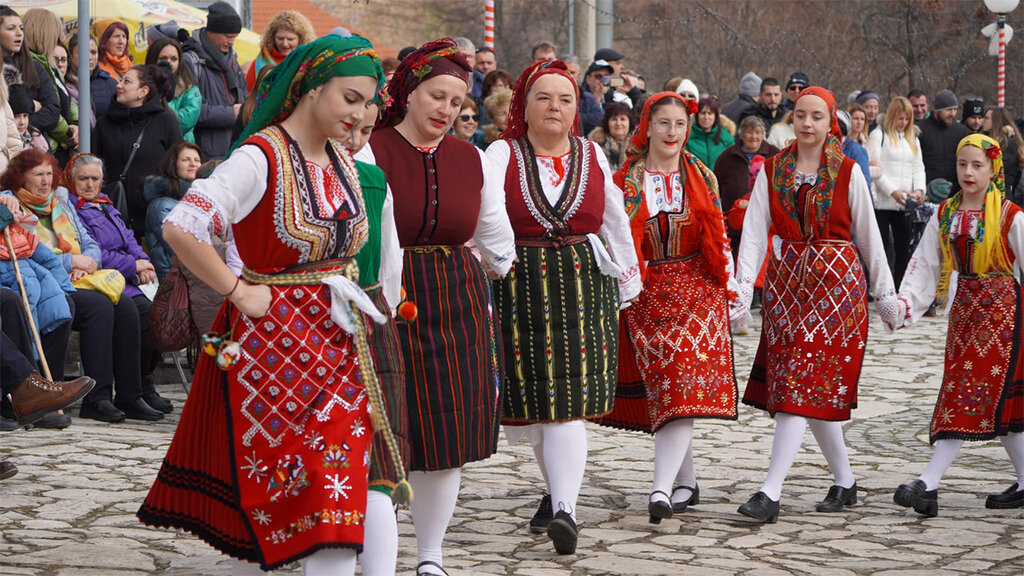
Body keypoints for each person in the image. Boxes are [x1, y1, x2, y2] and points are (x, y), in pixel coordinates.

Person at [137, 35, 401, 576]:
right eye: (350, 98)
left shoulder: (341, 158)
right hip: (275, 347)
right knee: (302, 486)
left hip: (340, 341)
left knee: (344, 480)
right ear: (313, 88)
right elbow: (182, 226)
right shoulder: (259, 157)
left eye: (367, 103)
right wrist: (237, 290)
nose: (359, 114)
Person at [363, 38, 515, 576]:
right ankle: (375, 547)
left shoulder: (472, 158)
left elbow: (496, 235)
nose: (446, 109)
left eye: (456, 101)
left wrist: (497, 265)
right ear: (408, 92)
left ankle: (431, 554)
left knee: (447, 431)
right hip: (385, 299)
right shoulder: (370, 151)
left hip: (457, 300)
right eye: (436, 96)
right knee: (382, 428)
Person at [485, 59, 640, 556]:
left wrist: (629, 280)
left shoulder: (592, 155)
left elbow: (614, 217)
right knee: (537, 407)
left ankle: (566, 511)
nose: (555, 107)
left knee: (566, 406)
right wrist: (494, 261)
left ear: (577, 109)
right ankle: (555, 495)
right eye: (544, 98)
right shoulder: (501, 154)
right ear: (523, 105)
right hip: (521, 286)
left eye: (566, 99)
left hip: (583, 286)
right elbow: (486, 211)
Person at [734, 86, 904, 523]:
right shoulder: (773, 169)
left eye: (817, 116)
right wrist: (742, 287)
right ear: (791, 119)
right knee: (808, 389)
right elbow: (754, 232)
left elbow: (869, 235)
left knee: (798, 386)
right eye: (800, 115)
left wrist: (885, 294)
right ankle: (845, 482)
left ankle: (770, 491)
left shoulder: (847, 171)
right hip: (786, 290)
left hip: (836, 293)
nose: (807, 123)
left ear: (832, 124)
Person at [594, 90, 743, 526]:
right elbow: (612, 237)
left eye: (680, 124)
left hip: (697, 290)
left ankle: (660, 489)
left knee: (680, 385)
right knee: (667, 391)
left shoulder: (701, 175)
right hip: (646, 292)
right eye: (663, 123)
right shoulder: (626, 180)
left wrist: (731, 286)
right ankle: (686, 483)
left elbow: (717, 233)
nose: (672, 132)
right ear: (647, 126)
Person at [892, 134, 1024, 516]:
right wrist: (905, 304)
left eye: (977, 165)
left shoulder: (1010, 215)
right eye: (962, 164)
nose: (968, 172)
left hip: (1002, 316)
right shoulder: (945, 213)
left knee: (965, 392)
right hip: (964, 313)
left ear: (992, 170)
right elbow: (925, 263)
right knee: (1001, 404)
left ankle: (928, 483)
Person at [2, 149, 161, 423]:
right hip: (47, 276)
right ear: (20, 178)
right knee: (88, 306)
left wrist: (86, 262)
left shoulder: (60, 203)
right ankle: (78, 396)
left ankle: (128, 394)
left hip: (78, 275)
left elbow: (89, 243)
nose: (45, 181)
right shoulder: (13, 205)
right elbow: (29, 251)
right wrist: (70, 262)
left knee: (126, 307)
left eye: (49, 174)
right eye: (37, 174)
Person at [335, 103, 408, 576]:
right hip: (319, 316)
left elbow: (389, 253)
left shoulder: (373, 178)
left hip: (366, 311)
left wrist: (388, 308)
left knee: (376, 449)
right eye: (351, 129)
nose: (357, 141)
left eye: (366, 131)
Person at [61, 153, 171, 414]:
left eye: (95, 179)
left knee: (158, 313)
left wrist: (145, 262)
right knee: (139, 312)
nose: (90, 184)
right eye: (83, 179)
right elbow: (94, 253)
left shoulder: (106, 206)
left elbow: (130, 241)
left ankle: (141, 386)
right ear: (71, 180)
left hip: (126, 279)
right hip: (104, 279)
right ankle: (128, 392)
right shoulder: (70, 211)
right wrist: (133, 265)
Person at [95, 64, 183, 239]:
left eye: (126, 81)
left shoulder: (166, 122)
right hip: (112, 221)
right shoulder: (104, 124)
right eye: (121, 80)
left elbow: (179, 167)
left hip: (154, 222)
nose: (119, 85)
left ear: (143, 91)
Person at [871, 97, 926, 288]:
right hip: (882, 203)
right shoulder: (879, 135)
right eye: (900, 118)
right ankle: (881, 287)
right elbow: (875, 168)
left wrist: (919, 190)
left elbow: (918, 167)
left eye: (907, 119)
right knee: (882, 249)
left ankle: (899, 286)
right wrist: (892, 191)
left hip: (905, 204)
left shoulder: (913, 138)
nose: (903, 123)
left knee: (904, 247)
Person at [182, 1, 248, 160]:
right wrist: (231, 114)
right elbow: (190, 112)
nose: (232, 42)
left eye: (235, 37)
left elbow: (244, 96)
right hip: (204, 156)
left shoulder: (233, 61)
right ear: (212, 31)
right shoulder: (190, 61)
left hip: (235, 149)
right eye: (228, 36)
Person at [714, 115, 779, 255]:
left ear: (763, 135)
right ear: (742, 134)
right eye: (749, 132)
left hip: (767, 228)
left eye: (757, 132)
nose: (754, 136)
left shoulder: (774, 154)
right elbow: (715, 186)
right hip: (735, 229)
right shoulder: (727, 156)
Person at [23, 8, 76, 162]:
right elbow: (51, 112)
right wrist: (68, 135)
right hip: (46, 150)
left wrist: (76, 124)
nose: (60, 40)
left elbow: (66, 98)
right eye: (57, 35)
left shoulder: (48, 64)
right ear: (44, 34)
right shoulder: (29, 66)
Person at [0, 7, 61, 140]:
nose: (19, 33)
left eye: (21, 28)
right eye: (11, 28)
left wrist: (22, 123)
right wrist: (31, 105)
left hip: (32, 145)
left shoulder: (35, 67)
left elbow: (53, 112)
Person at [143, 142, 201, 279]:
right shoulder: (161, 205)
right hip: (176, 278)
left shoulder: (201, 199)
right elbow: (181, 249)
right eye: (185, 160)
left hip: (198, 272)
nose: (193, 164)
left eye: (197, 160)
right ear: (173, 165)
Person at [145, 38, 202, 142]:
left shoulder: (190, 88)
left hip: (180, 145)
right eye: (163, 58)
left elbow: (185, 122)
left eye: (174, 59)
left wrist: (160, 104)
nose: (169, 63)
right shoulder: (140, 83)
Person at [245, 10, 314, 91]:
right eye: (280, 38)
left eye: (290, 39)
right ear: (272, 38)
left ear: (301, 39)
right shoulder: (258, 64)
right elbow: (247, 94)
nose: (285, 44)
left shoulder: (310, 61)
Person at [919, 89, 968, 188]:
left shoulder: (960, 131)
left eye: (955, 109)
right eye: (948, 109)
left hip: (954, 188)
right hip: (928, 187)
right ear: (937, 110)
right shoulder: (921, 130)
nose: (952, 114)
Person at [67, 33, 117, 120]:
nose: (90, 57)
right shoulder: (62, 82)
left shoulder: (111, 84)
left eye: (93, 52)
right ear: (70, 55)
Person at [985, 106, 1024, 206]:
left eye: (986, 118)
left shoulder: (1007, 144)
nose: (983, 121)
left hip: (1000, 195)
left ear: (995, 121)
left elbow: (1001, 170)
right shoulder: (988, 139)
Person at [686, 96, 734, 169]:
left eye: (710, 113)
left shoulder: (726, 137)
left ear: (715, 116)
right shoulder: (688, 137)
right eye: (703, 113)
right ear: (697, 115)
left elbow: (733, 163)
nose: (706, 117)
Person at [848, 103, 883, 194]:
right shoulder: (842, 143)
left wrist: (860, 168)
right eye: (856, 118)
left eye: (862, 119)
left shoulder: (868, 143)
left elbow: (880, 170)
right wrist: (866, 166)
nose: (859, 122)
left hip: (868, 192)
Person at [588, 101, 632, 172]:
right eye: (614, 119)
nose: (618, 123)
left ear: (630, 122)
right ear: (607, 123)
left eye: (622, 119)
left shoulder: (637, 146)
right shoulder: (596, 146)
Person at [8, 79, 47, 153]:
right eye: (16, 116)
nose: (22, 122)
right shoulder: (5, 144)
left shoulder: (37, 140)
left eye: (25, 116)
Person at [93, 18, 132, 82]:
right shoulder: (95, 69)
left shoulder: (129, 65)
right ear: (104, 41)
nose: (121, 41)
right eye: (116, 36)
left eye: (124, 36)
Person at [579, 59, 612, 136]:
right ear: (588, 79)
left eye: (606, 77)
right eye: (598, 76)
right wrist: (596, 100)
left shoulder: (617, 97)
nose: (602, 80)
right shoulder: (581, 97)